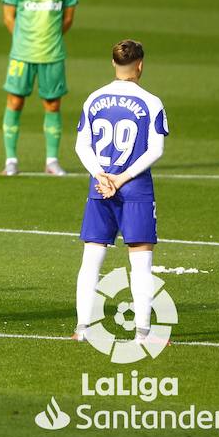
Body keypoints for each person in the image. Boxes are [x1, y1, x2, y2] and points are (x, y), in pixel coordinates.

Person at [72, 39, 168, 347]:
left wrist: (102, 176)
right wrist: (122, 177)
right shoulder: (151, 102)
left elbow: (81, 145)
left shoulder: (94, 99)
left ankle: (83, 328)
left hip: (100, 187)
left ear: (114, 64)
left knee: (92, 259)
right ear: (140, 65)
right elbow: (156, 149)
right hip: (136, 189)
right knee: (141, 263)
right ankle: (143, 333)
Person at [0, 0, 77, 177]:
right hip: (22, 54)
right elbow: (8, 17)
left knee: (53, 105)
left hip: (52, 55)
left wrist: (50, 39)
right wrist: (24, 40)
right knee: (15, 102)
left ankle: (52, 161)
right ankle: (11, 160)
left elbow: (68, 19)